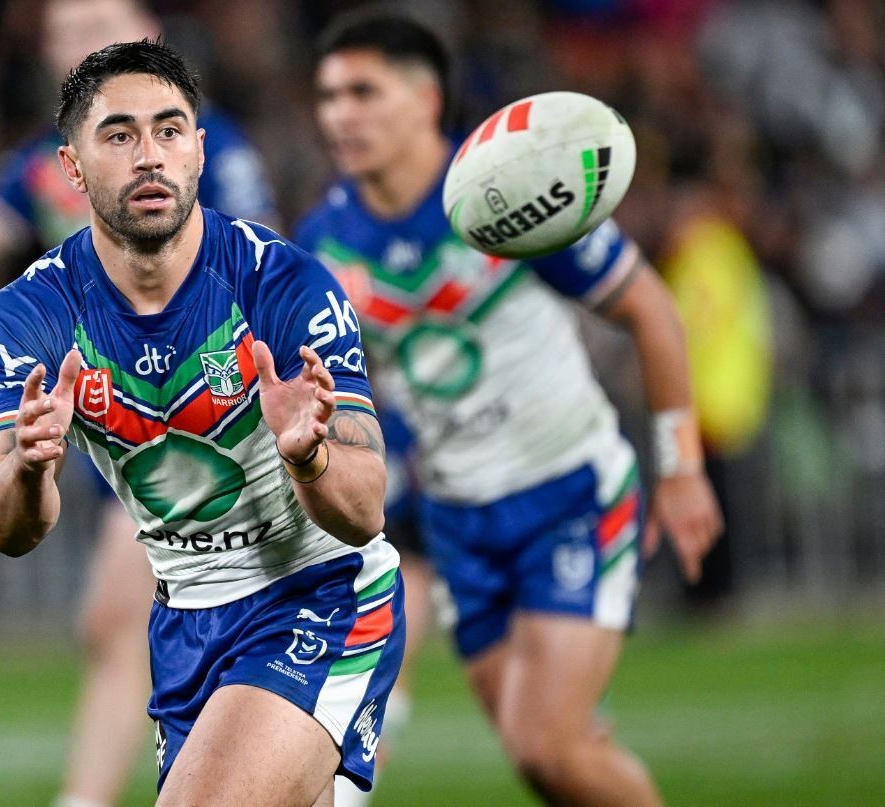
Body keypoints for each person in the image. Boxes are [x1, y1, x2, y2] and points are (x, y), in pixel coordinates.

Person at [0, 3, 277, 805]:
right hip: (132, 424)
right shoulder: (47, 166)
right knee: (118, 624)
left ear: (150, 34)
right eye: (63, 34)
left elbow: (255, 264)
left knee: (153, 621)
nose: (77, 42)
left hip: (219, 424)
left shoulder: (203, 148)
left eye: (97, 23)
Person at [295, 10, 723, 805]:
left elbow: (652, 313)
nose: (339, 114)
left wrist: (682, 467)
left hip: (566, 489)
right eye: (327, 96)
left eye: (362, 91)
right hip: (458, 517)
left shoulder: (512, 187)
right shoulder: (324, 240)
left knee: (547, 742)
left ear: (426, 101)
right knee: (545, 762)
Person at [0, 40, 405, 806]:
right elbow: (8, 528)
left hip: (321, 595)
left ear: (199, 151)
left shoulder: (282, 285)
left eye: (170, 131)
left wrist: (308, 459)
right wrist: (30, 466)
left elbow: (366, 507)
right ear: (70, 169)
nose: (150, 156)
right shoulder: (30, 314)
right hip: (183, 626)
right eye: (118, 135)